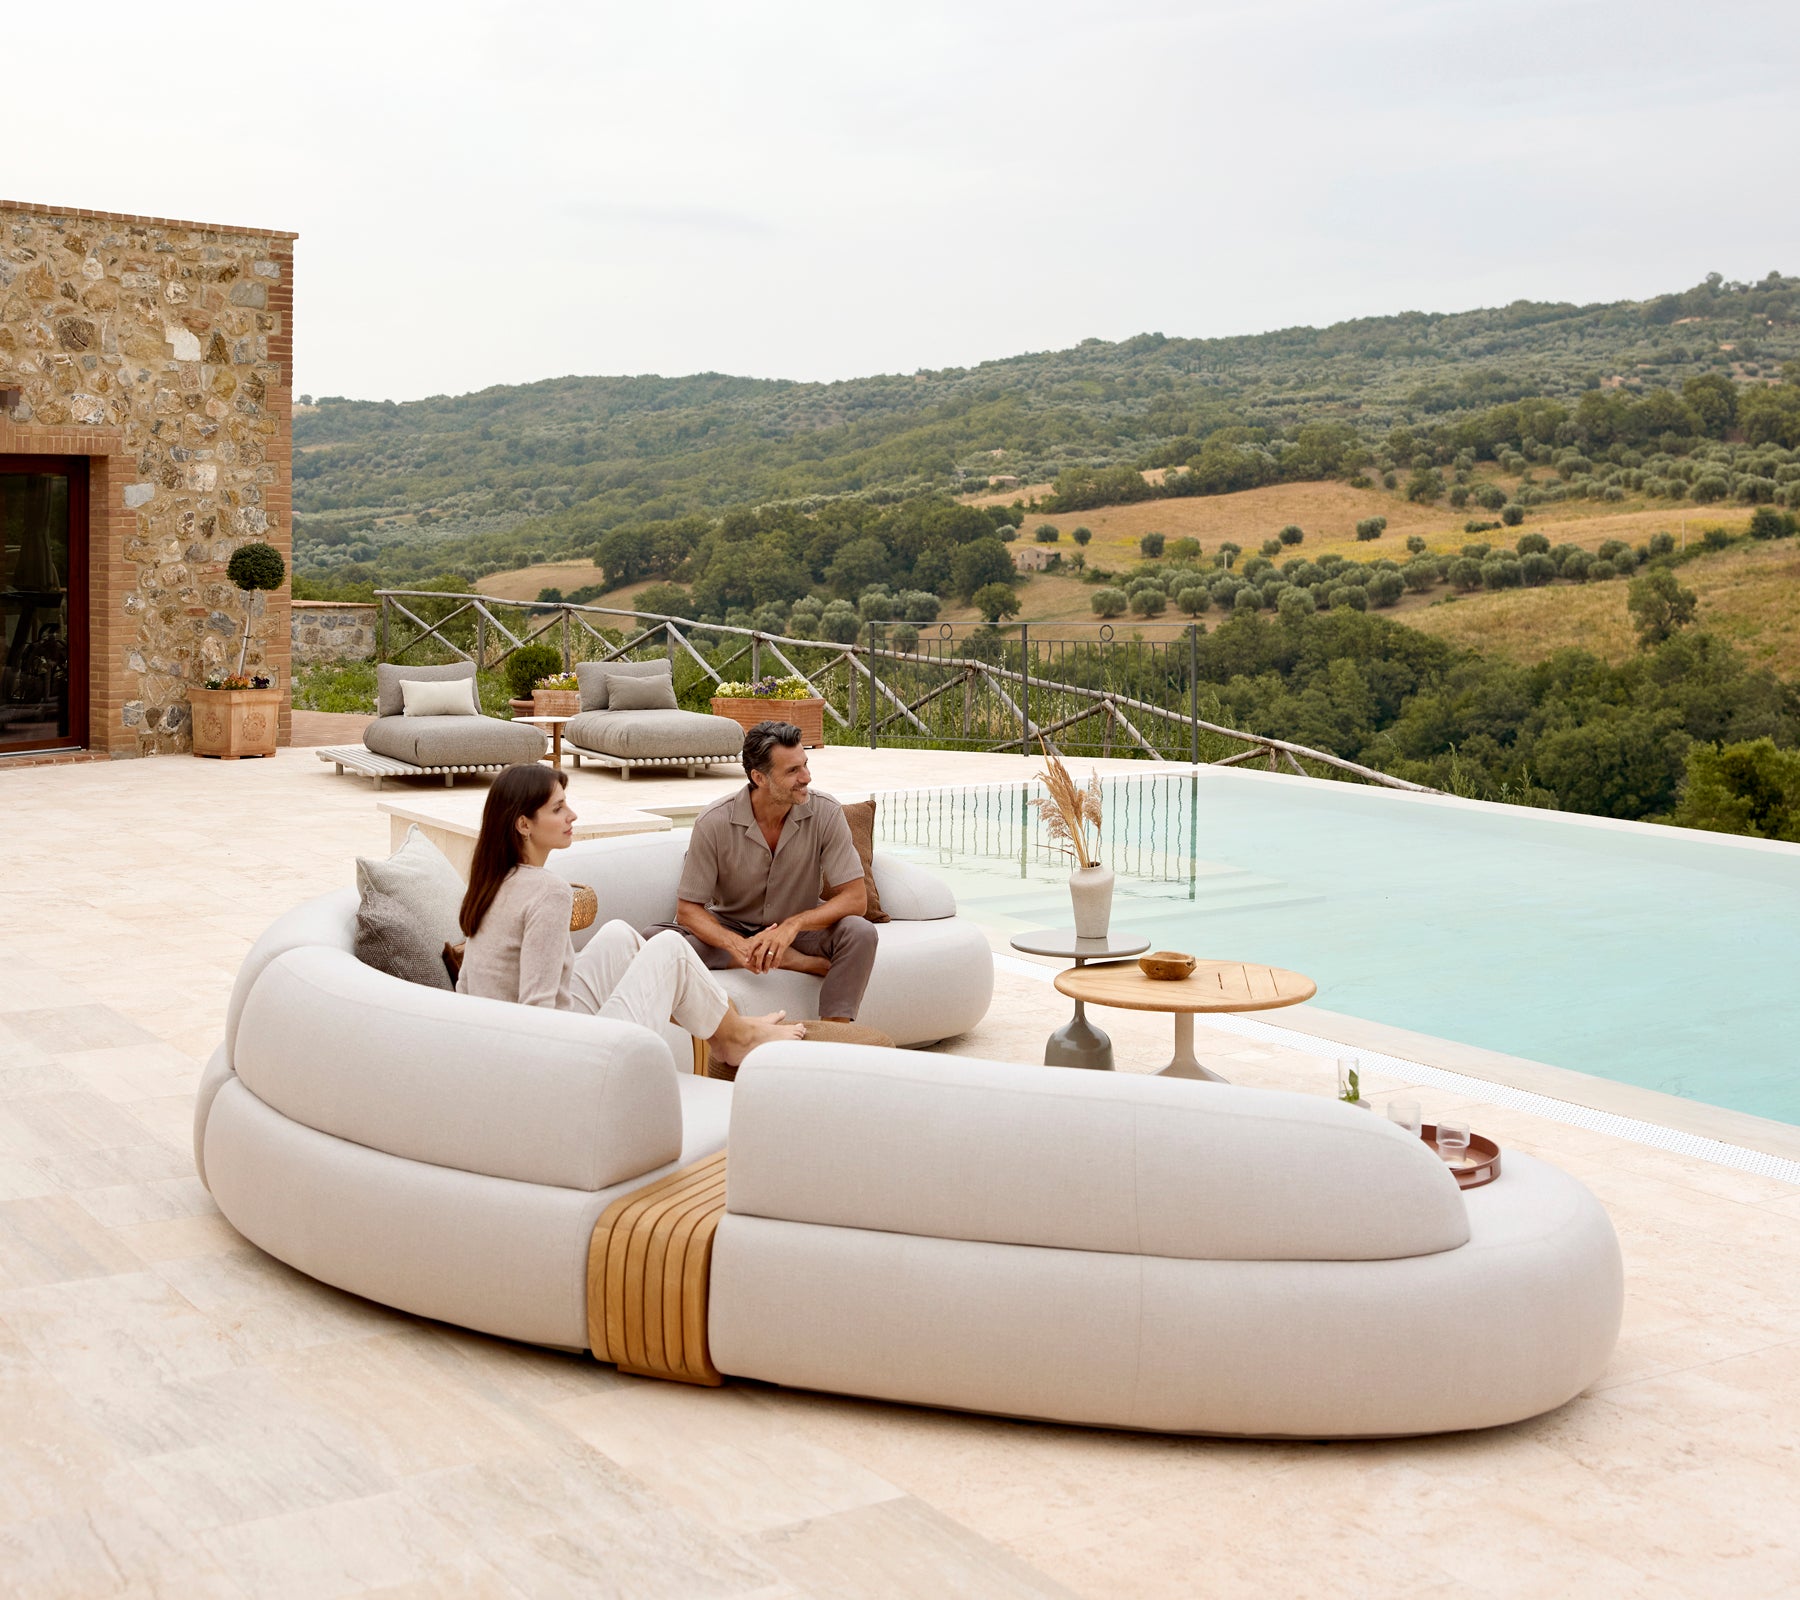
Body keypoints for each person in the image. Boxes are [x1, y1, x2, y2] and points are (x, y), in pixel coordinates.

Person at [456, 764, 803, 1066]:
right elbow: (538, 1013)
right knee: (671, 948)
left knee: (618, 935)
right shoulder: (548, 892)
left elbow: (465, 990)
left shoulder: (491, 884)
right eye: (558, 808)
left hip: (506, 1049)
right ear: (523, 825)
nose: (572, 815)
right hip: (564, 1060)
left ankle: (735, 1030)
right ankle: (736, 1039)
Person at [650, 720, 876, 1023]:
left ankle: (835, 1033)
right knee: (654, 940)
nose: (806, 777)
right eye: (792, 771)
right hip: (732, 925)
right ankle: (789, 961)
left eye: (805, 765)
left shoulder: (826, 812)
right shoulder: (714, 822)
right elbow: (689, 910)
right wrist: (738, 946)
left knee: (860, 932)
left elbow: (856, 899)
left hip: (800, 931)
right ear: (759, 777)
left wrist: (793, 925)